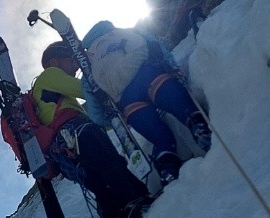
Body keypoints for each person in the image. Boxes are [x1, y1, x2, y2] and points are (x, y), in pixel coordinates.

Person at [0, 41, 150, 218]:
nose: (76, 66)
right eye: (71, 60)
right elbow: (86, 89)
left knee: (96, 178)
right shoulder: (50, 74)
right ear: (54, 62)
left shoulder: (48, 92)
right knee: (108, 162)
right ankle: (133, 200)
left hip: (63, 154)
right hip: (75, 133)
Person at [81, 21, 211, 185]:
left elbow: (96, 115)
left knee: (161, 139)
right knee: (184, 110)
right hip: (150, 77)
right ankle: (198, 125)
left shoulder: (88, 66)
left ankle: (167, 166)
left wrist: (114, 119)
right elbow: (155, 46)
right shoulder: (126, 31)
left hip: (128, 102)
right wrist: (174, 69)